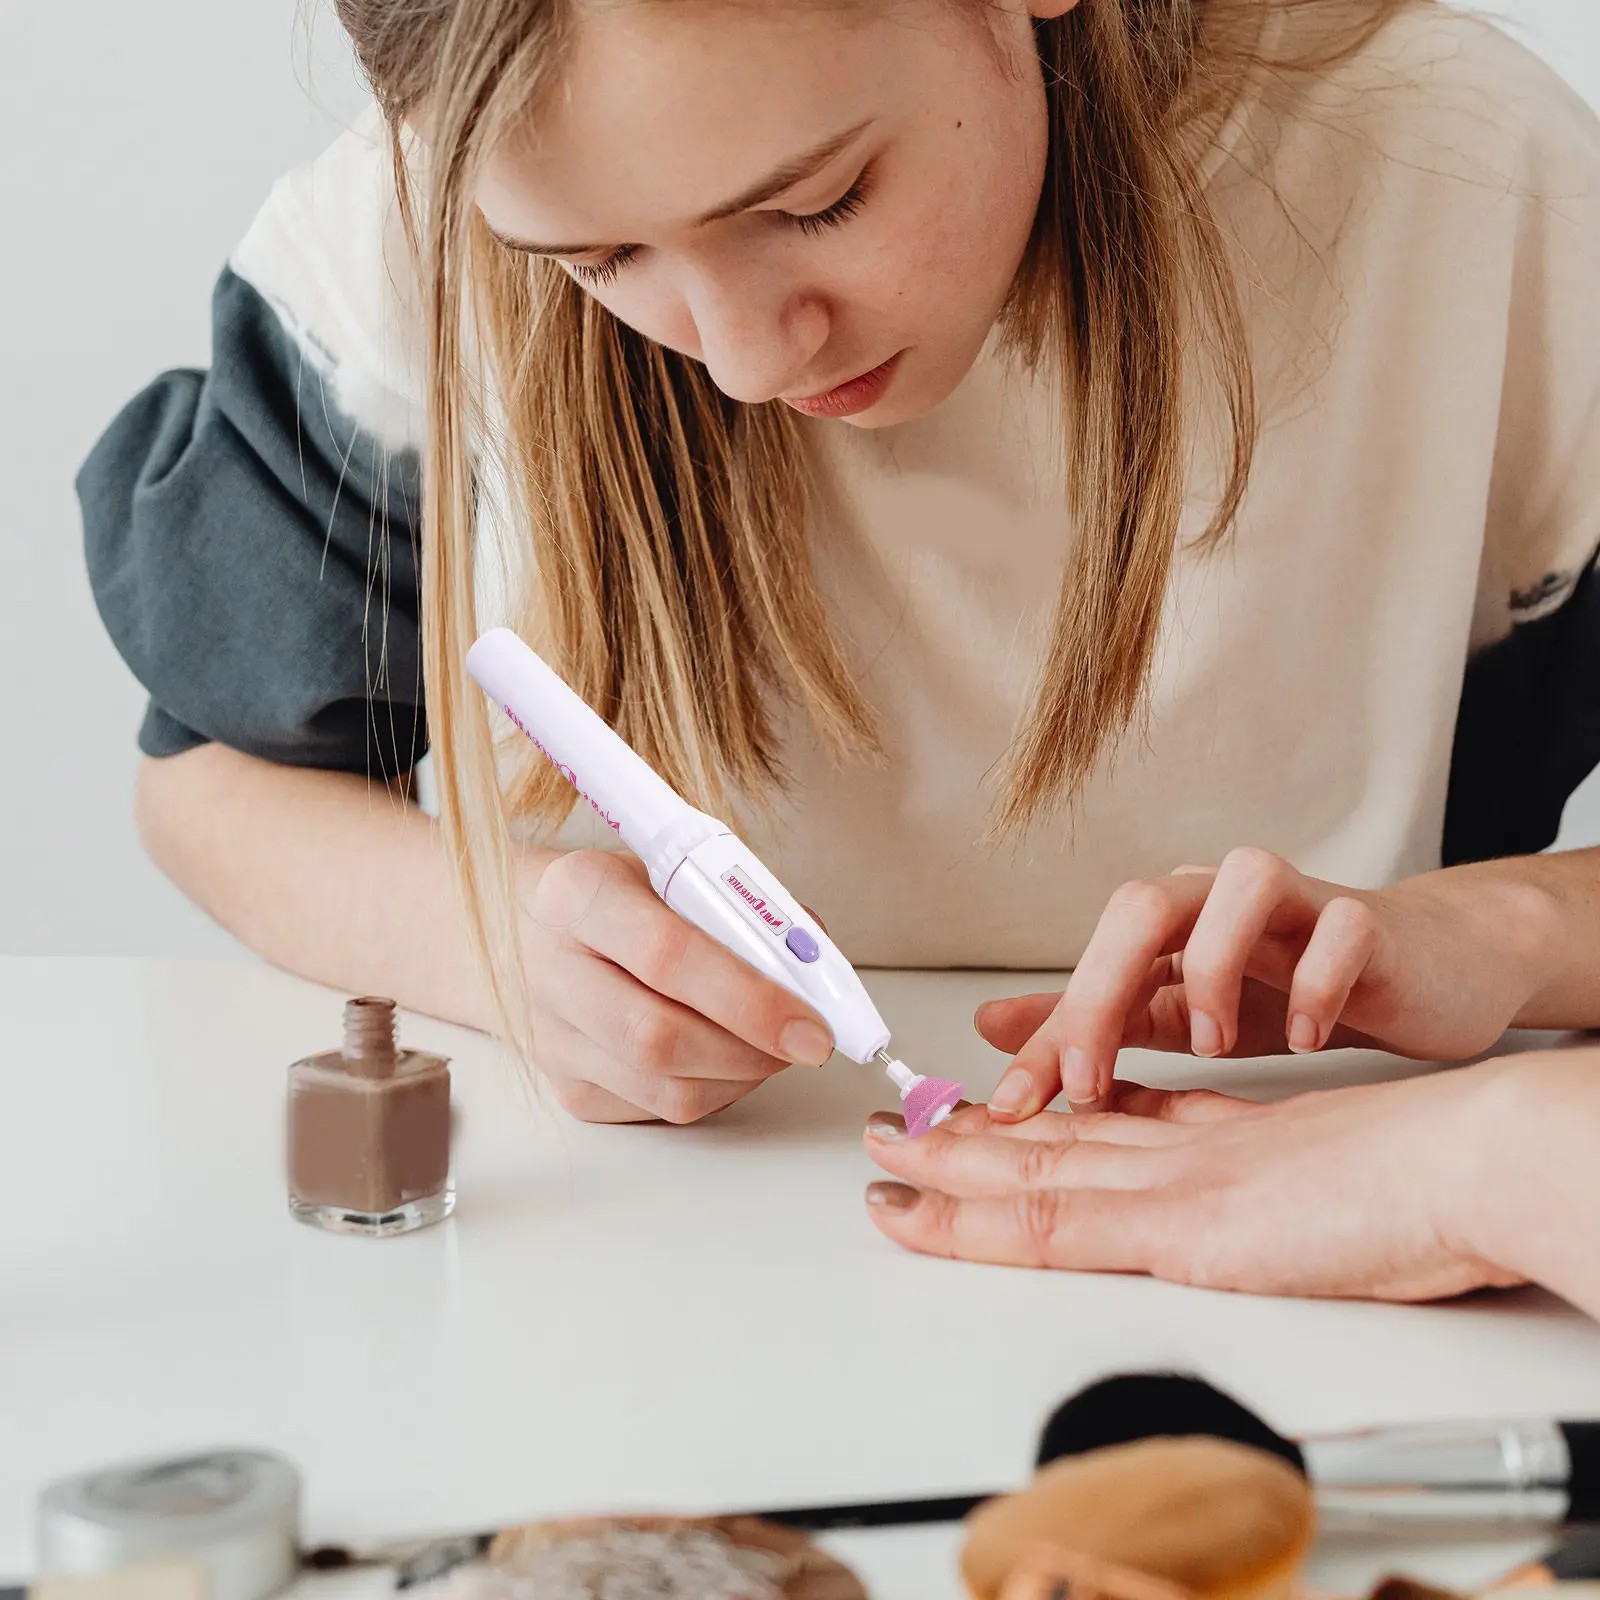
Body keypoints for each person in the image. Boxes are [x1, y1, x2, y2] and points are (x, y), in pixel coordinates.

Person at [80, 0, 1600, 1304]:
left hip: (1351, 1262)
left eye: (817, 202)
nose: (747, 359)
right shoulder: (405, 237)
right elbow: (201, 777)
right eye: (600, 258)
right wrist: (494, 941)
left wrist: (1510, 933)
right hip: (616, 1304)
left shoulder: (1462, 175)